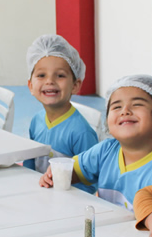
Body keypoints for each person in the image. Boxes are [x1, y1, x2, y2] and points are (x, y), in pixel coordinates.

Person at [39, 74, 152, 209]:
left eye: (137, 104)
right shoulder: (106, 150)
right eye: (117, 107)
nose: (125, 111)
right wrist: (55, 174)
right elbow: (74, 171)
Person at [22, 34, 98, 185]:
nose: (50, 81)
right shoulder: (36, 121)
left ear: (75, 85)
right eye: (41, 75)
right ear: (31, 86)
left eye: (60, 75)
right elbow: (30, 162)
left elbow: (90, 181)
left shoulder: (81, 132)